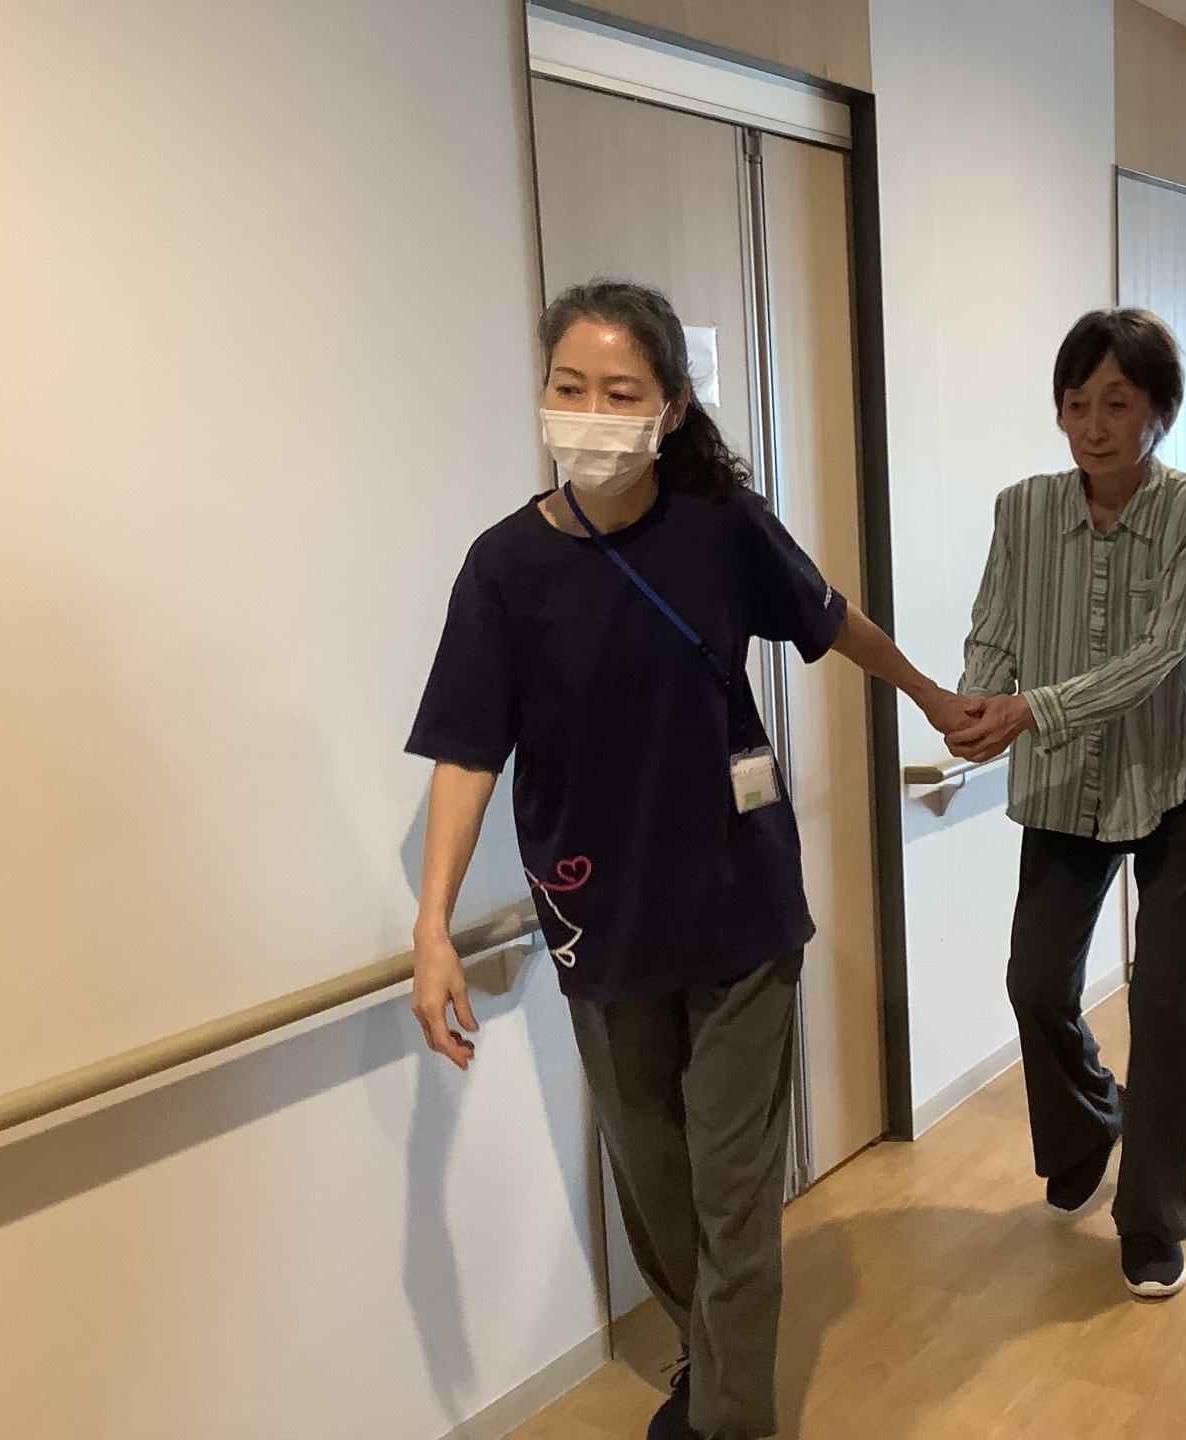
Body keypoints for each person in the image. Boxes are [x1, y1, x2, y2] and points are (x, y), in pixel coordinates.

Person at [404, 279, 971, 1440]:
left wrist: (929, 695)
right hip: (600, 925)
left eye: (621, 393)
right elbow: (465, 753)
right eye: (570, 387)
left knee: (732, 1186)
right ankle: (705, 1369)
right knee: (657, 1184)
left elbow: (829, 617)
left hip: (735, 904)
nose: (591, 412)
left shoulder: (719, 526)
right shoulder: (503, 568)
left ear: (668, 409)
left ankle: (727, 1420)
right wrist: (432, 929)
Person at [948, 308, 1186, 1299]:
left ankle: (1151, 1220)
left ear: (1160, 412)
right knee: (1035, 982)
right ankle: (1085, 1122)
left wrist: (1031, 711)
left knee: (1161, 999)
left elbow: (1160, 658)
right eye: (1077, 404)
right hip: (1067, 780)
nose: (1094, 426)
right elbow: (995, 628)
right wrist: (976, 705)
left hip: (1180, 776)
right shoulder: (1023, 510)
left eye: (1118, 404)